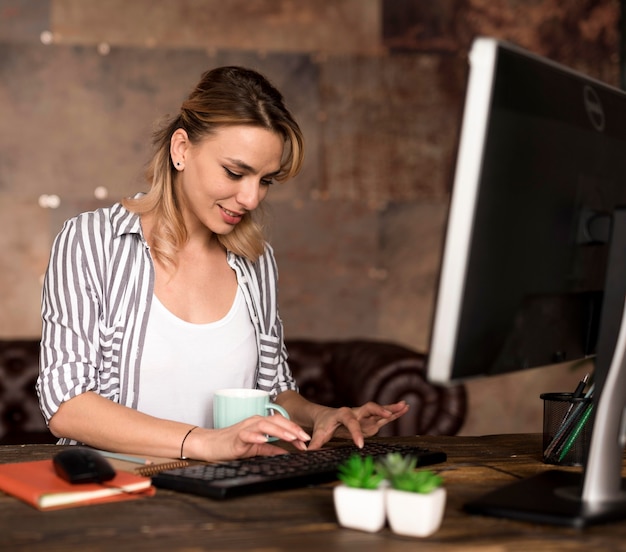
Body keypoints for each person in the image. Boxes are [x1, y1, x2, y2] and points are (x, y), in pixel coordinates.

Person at [37, 66, 409, 462]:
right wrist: (202, 442)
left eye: (266, 180)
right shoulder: (92, 242)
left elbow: (273, 389)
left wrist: (321, 415)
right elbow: (67, 406)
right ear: (181, 150)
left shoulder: (255, 261)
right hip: (121, 496)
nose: (251, 198)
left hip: (231, 496)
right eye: (235, 172)